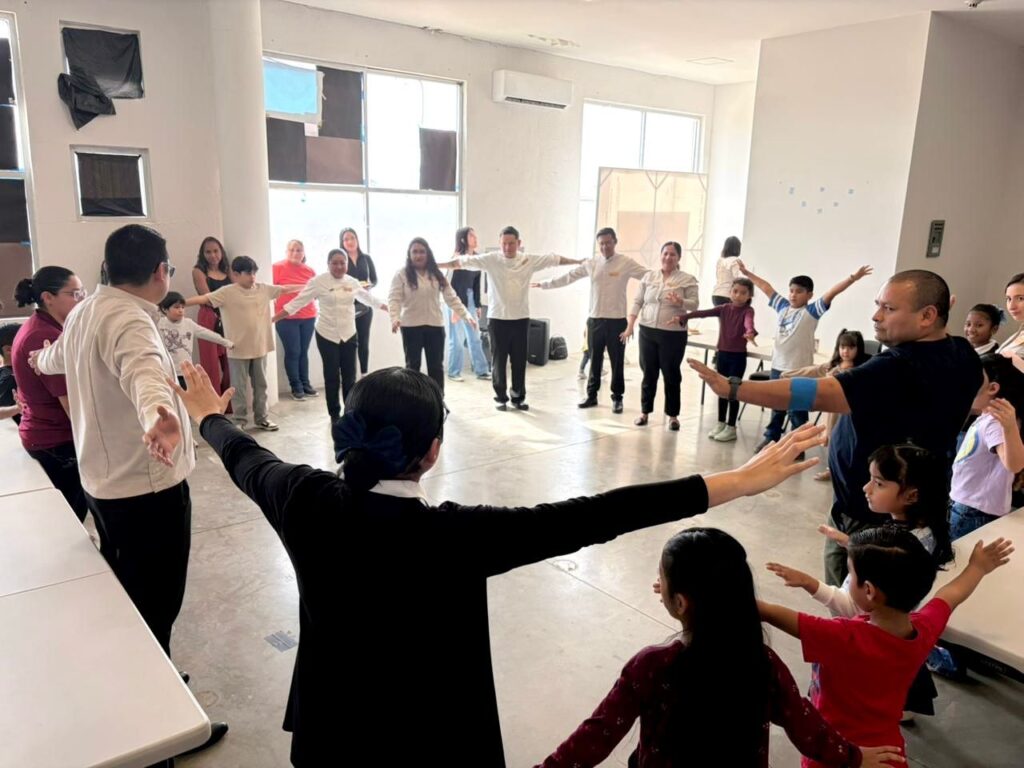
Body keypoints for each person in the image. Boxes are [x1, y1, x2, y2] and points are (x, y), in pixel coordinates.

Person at [171, 358, 827, 768]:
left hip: (332, 735)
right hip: (437, 746)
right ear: (432, 451)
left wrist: (206, 418)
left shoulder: (302, 498)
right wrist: (734, 481)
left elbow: (244, 456)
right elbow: (598, 513)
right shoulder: (457, 536)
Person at [31, 225, 228, 759]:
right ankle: (158, 732)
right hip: (148, 491)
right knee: (155, 607)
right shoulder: (131, 321)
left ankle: (153, 680)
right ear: (161, 271)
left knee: (132, 601)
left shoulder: (86, 311)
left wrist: (36, 359)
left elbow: (56, 357)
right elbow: (143, 374)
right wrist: (159, 416)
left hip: (104, 487)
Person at [689, 270, 983, 586]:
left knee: (857, 599)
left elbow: (818, 393)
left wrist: (733, 388)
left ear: (927, 316)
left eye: (888, 308)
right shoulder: (962, 351)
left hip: (869, 515)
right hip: (914, 504)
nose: (876, 316)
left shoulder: (898, 366)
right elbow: (980, 391)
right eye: (878, 305)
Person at [537, 528, 903, 768]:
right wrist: (853, 758)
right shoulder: (762, 663)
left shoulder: (651, 667)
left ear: (680, 602)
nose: (659, 583)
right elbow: (805, 726)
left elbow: (598, 735)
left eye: (662, 578)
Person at [759, 527, 1013, 768]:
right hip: (886, 752)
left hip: (838, 751)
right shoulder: (923, 630)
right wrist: (978, 567)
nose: (848, 580)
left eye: (851, 575)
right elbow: (951, 594)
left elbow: (771, 613)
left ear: (869, 590)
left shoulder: (843, 636)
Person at [442, 226, 580, 411]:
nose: (507, 247)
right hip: (497, 319)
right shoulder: (491, 259)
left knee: (519, 360)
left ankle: (518, 397)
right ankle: (500, 397)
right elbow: (462, 262)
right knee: (499, 361)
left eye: (511, 243)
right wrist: (434, 265)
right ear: (500, 243)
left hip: (520, 319)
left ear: (519, 243)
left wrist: (578, 261)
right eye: (504, 244)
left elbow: (553, 259)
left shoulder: (528, 260)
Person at [739, 262, 872, 451]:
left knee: (798, 411)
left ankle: (799, 446)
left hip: (799, 369)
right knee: (777, 407)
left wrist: (853, 278)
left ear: (809, 295)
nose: (793, 295)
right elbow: (766, 287)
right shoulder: (782, 307)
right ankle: (771, 438)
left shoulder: (811, 312)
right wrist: (747, 273)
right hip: (778, 367)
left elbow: (831, 293)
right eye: (791, 291)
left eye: (799, 291)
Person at [533, 227, 647, 413]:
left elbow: (647, 275)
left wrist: (669, 276)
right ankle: (591, 395)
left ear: (615, 242)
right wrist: (545, 284)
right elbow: (569, 277)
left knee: (617, 362)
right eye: (601, 244)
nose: (605, 247)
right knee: (594, 360)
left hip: (617, 321)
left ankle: (617, 398)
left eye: (608, 243)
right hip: (595, 321)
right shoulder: (592, 263)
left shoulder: (625, 262)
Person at [186, 256, 305, 431]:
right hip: (237, 348)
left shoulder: (264, 289)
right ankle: (239, 420)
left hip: (260, 346)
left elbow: (285, 289)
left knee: (261, 385)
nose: (252, 277)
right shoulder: (227, 292)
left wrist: (308, 286)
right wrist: (179, 303)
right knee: (239, 387)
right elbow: (203, 299)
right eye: (248, 273)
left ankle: (261, 418)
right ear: (235, 274)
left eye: (254, 273)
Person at [10, 268, 89, 522]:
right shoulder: (43, 336)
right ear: (48, 297)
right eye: (74, 294)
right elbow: (70, 404)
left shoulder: (45, 327)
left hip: (49, 436)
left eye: (82, 292)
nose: (81, 299)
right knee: (69, 519)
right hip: (56, 442)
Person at [273, 248, 386, 423]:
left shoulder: (352, 281)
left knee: (349, 376)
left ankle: (350, 411)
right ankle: (334, 414)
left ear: (346, 264)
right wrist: (273, 319)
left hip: (349, 333)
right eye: (335, 263)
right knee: (331, 376)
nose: (339, 266)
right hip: (327, 334)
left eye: (342, 263)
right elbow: (298, 302)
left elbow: (368, 298)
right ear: (328, 264)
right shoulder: (318, 282)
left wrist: (388, 309)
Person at [621, 241, 698, 430]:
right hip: (647, 331)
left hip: (673, 334)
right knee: (649, 373)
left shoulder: (687, 279)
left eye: (672, 254)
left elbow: (694, 304)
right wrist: (630, 326)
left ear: (679, 257)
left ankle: (673, 416)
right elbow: (638, 302)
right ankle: (644, 412)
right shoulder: (649, 277)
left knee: (671, 374)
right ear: (660, 255)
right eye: (665, 253)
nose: (668, 257)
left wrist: (680, 301)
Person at [949, 353, 1024, 539]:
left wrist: (1009, 427)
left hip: (973, 511)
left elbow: (1014, 464)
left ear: (993, 388)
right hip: (969, 507)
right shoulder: (987, 417)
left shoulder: (994, 421)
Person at [783, 330, 871, 481]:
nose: (845, 351)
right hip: (832, 412)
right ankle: (832, 469)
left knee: (845, 442)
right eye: (843, 347)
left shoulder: (860, 369)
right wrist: (788, 375)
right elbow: (812, 371)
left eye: (851, 347)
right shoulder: (833, 366)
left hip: (849, 413)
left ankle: (840, 470)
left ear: (858, 349)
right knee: (833, 440)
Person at [676, 277, 757, 442]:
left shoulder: (748, 310)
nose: (738, 295)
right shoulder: (724, 308)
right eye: (735, 291)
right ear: (730, 292)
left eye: (743, 293)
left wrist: (750, 332)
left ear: (749, 296)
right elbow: (703, 313)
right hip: (722, 354)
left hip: (737, 357)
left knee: (734, 392)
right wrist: (684, 317)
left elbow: (749, 323)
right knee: (722, 389)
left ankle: (731, 427)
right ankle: (721, 423)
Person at [389, 237, 475, 392]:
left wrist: (466, 315)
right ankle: (413, 400)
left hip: (435, 327)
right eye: (415, 252)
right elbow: (394, 298)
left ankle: (437, 399)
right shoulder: (401, 274)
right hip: (410, 327)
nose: (418, 255)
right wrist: (394, 318)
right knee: (412, 367)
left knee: (436, 367)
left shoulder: (437, 274)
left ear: (428, 253)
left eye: (422, 252)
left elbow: (451, 297)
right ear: (409, 254)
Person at [157, 291, 233, 388]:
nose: (180, 310)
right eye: (176, 307)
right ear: (165, 309)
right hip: (168, 373)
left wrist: (225, 342)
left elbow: (207, 334)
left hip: (187, 372)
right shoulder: (160, 324)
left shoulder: (188, 324)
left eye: (182, 307)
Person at [273, 240, 318, 400]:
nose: (295, 253)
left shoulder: (310, 271)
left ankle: (305, 384)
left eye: (299, 250)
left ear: (304, 253)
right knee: (293, 351)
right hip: (286, 318)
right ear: (286, 251)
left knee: (303, 352)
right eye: (292, 249)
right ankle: (296, 387)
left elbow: (316, 292)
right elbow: (271, 291)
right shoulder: (276, 268)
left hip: (308, 316)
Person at [191, 236, 233, 399]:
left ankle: (228, 402)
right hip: (209, 317)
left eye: (216, 251)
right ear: (202, 254)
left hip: (229, 317)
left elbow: (238, 292)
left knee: (231, 362)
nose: (213, 255)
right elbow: (209, 298)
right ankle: (213, 402)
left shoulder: (228, 269)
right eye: (208, 252)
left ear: (221, 252)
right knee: (210, 363)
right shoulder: (198, 271)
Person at [447, 226, 491, 382]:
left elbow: (477, 283)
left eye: (475, 235)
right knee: (457, 339)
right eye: (471, 235)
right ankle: (453, 372)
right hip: (455, 299)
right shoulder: (456, 258)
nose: (475, 238)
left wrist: (477, 305)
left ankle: (482, 371)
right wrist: (455, 309)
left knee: (475, 337)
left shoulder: (477, 259)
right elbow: (449, 285)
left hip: (470, 297)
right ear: (463, 239)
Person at [340, 228, 378, 376]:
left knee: (364, 341)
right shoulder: (340, 260)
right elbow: (336, 282)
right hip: (346, 306)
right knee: (348, 342)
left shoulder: (366, 258)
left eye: (352, 238)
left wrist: (369, 285)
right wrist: (352, 288)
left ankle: (364, 374)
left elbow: (374, 279)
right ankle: (348, 376)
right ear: (342, 242)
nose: (350, 241)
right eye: (346, 239)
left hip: (365, 305)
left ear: (357, 239)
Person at [711, 235, 743, 306]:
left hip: (716, 294)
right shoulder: (735, 260)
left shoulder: (720, 260)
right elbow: (738, 279)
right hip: (727, 295)